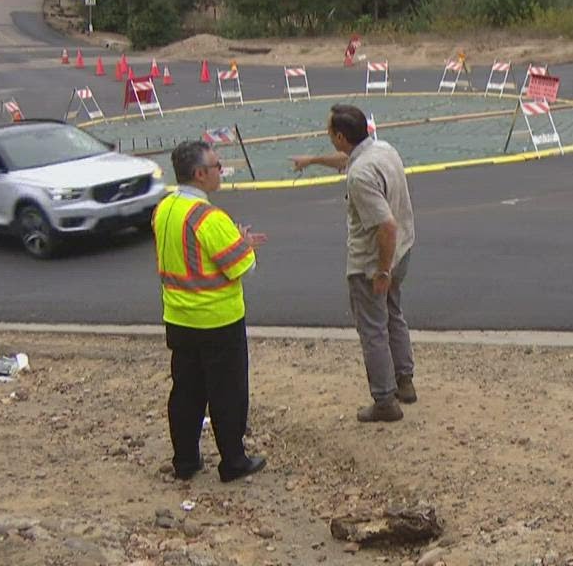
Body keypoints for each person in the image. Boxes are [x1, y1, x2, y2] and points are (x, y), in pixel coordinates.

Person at [291, 105, 417, 423]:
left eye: (330, 133)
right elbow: (346, 159)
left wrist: (381, 271)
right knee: (393, 314)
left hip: (373, 263)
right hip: (402, 251)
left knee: (373, 330)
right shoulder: (383, 149)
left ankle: (384, 400)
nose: (328, 136)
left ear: (340, 137)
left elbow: (386, 226)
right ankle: (404, 379)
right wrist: (312, 160)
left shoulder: (360, 176)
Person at [153, 140, 268, 482]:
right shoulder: (209, 217)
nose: (221, 171)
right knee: (227, 393)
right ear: (200, 174)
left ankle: (185, 460)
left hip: (178, 317)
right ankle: (233, 461)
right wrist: (242, 244)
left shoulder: (165, 209)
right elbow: (242, 267)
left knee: (186, 392)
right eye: (217, 166)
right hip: (218, 319)